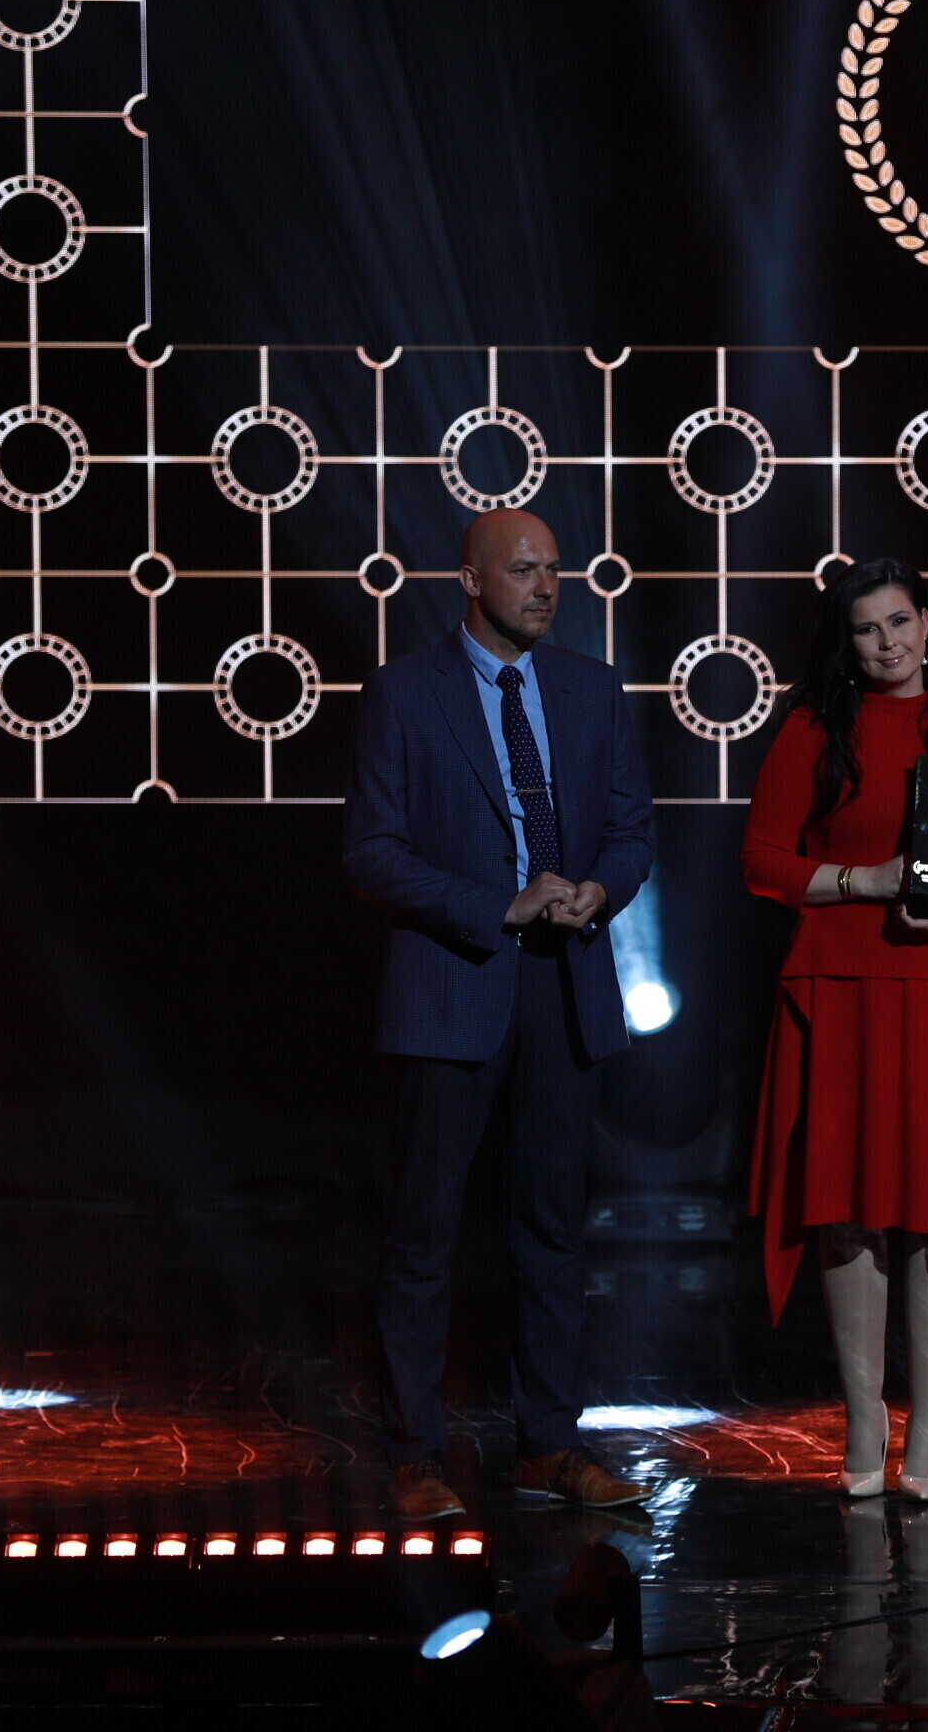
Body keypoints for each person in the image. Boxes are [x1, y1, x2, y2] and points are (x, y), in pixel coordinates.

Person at [343, 507, 657, 1521]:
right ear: (472, 581)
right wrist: (498, 906)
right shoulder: (404, 692)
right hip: (452, 984)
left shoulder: (590, 689)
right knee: (425, 1232)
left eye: (554, 570)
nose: (546, 587)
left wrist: (596, 891)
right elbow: (371, 852)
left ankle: (548, 1445)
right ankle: (415, 1457)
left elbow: (631, 831)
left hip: (563, 984)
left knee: (552, 1229)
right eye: (524, 570)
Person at [740, 559, 928, 1501]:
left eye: (901, 622)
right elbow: (761, 860)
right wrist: (858, 882)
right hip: (843, 986)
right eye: (868, 629)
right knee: (849, 1207)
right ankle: (865, 1418)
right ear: (848, 641)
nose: (888, 643)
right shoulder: (809, 731)